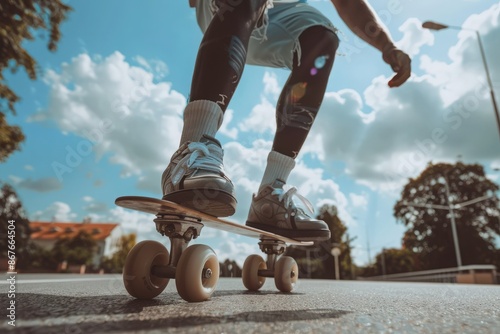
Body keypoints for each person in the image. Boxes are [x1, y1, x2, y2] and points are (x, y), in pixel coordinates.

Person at [162, 0, 411, 241]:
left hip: (280, 14)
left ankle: (271, 195)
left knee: (322, 36)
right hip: (225, 8)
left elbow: (348, 3)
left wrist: (387, 46)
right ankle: (189, 155)